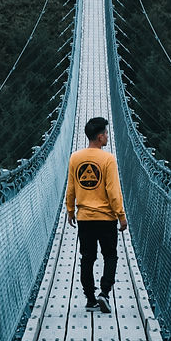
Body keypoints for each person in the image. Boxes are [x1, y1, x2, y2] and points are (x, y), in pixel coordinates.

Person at [65, 117, 128, 313]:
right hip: (106, 218)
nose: (108, 137)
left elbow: (71, 188)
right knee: (110, 256)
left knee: (87, 258)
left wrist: (70, 210)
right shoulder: (108, 159)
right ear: (100, 137)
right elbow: (113, 190)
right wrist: (121, 215)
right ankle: (104, 293)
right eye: (106, 134)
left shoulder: (75, 158)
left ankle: (90, 299)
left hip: (85, 218)